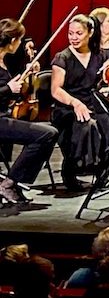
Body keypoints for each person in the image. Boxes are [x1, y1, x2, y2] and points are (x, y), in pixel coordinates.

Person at [49, 13, 109, 192]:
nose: (73, 37)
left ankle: (103, 169)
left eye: (78, 33)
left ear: (90, 33)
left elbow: (104, 81)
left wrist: (107, 89)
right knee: (87, 124)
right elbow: (56, 89)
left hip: (92, 104)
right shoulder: (62, 58)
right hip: (68, 108)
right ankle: (71, 168)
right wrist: (75, 103)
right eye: (70, 33)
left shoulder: (99, 55)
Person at [0, 18, 57, 200]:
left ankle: (13, 182)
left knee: (49, 132)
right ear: (12, 41)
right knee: (46, 134)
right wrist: (8, 89)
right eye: (19, 40)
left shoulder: (3, 61)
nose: (20, 44)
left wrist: (24, 81)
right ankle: (9, 183)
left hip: (4, 115)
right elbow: (5, 90)